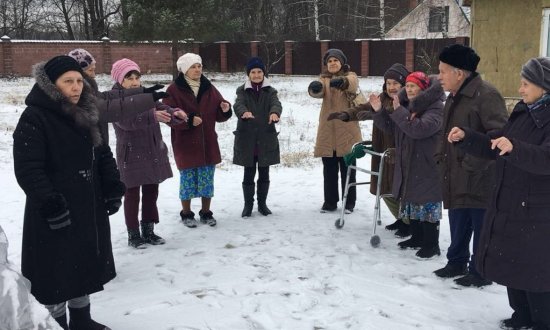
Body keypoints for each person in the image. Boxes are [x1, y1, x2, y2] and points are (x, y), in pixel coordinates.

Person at [13, 55, 125, 330]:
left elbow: (102, 153)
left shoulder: (86, 113)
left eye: (79, 81)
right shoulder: (35, 117)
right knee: (56, 273)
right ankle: (56, 323)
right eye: (68, 82)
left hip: (87, 204)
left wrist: (111, 186)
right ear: (51, 85)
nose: (76, 87)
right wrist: (50, 203)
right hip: (55, 210)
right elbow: (29, 169)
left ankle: (82, 320)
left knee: (82, 264)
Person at [446, 57, 550, 330]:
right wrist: (467, 137)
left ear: (545, 87)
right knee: (515, 265)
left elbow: (546, 159)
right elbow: (497, 144)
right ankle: (522, 316)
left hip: (539, 208)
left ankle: (542, 321)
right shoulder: (523, 112)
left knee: (537, 271)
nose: (521, 88)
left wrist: (515, 147)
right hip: (511, 202)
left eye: (526, 84)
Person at [434, 44, 508, 287]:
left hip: (479, 177)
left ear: (459, 73)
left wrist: (470, 163)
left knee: (481, 227)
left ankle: (480, 271)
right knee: (458, 220)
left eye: (443, 71)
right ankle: (456, 261)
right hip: (455, 174)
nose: (439, 76)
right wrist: (441, 156)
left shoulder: (486, 95)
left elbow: (499, 137)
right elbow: (448, 133)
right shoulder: (454, 97)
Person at [327, 63, 411, 237]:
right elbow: (363, 107)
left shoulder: (408, 101)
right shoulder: (382, 98)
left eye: (396, 83)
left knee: (402, 190)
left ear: (404, 85)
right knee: (384, 188)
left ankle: (411, 223)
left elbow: (397, 123)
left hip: (401, 152)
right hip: (382, 150)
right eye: (388, 83)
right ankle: (402, 219)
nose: (392, 87)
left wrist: (376, 115)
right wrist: (346, 115)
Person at [110, 58, 187, 248]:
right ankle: (133, 234)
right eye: (129, 78)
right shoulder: (114, 99)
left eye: (137, 77)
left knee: (152, 191)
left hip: (152, 150)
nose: (135, 82)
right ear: (120, 79)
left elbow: (161, 107)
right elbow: (125, 121)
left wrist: (174, 113)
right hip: (131, 153)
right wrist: (151, 116)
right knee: (132, 194)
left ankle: (149, 229)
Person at [370, 71, 444, 258]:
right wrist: (379, 111)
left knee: (428, 204)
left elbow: (420, 129)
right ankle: (417, 237)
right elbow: (393, 127)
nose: (409, 89)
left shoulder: (435, 108)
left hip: (428, 164)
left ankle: (431, 245)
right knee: (412, 201)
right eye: (408, 86)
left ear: (424, 88)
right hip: (410, 162)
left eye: (414, 86)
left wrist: (400, 112)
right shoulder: (407, 106)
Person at [163, 53, 232, 227]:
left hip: (207, 141)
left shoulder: (209, 87)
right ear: (185, 69)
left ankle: (206, 212)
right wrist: (189, 119)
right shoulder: (174, 90)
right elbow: (168, 115)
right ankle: (186, 213)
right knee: (187, 179)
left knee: (206, 179)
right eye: (193, 66)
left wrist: (224, 109)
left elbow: (218, 112)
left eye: (199, 66)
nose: (197, 69)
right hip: (185, 143)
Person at [68, 48, 169, 143]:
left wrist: (143, 91)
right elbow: (114, 110)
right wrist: (151, 107)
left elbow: (111, 96)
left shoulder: (90, 92)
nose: (94, 75)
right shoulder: (79, 97)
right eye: (90, 70)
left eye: (137, 78)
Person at [308, 48, 362, 213]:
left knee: (348, 171)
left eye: (335, 60)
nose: (332, 63)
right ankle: (330, 202)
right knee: (329, 171)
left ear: (342, 63)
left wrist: (343, 82)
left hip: (347, 131)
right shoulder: (323, 80)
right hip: (328, 132)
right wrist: (315, 88)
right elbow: (317, 93)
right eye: (329, 61)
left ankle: (349, 203)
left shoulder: (350, 76)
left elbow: (352, 84)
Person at [233, 57, 282, 217]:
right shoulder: (242, 90)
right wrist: (243, 112)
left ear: (263, 73)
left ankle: (262, 204)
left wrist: (275, 112)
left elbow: (276, 103)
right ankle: (248, 206)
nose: (256, 75)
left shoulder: (270, 90)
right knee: (248, 174)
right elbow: (238, 104)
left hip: (265, 138)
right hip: (247, 139)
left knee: (264, 173)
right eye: (253, 72)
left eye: (259, 71)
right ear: (248, 74)